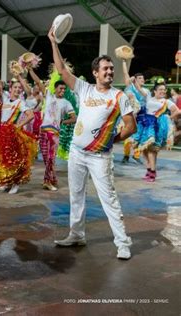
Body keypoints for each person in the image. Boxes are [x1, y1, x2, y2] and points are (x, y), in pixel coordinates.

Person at [47, 28, 137, 259]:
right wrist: (53, 43)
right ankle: (77, 235)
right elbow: (61, 70)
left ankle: (122, 242)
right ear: (95, 72)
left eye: (111, 68)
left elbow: (131, 126)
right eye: (105, 69)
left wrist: (111, 140)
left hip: (100, 157)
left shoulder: (119, 97)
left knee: (109, 199)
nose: (110, 71)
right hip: (77, 153)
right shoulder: (84, 89)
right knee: (76, 195)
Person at [28, 68, 76, 191]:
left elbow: (74, 118)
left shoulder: (66, 103)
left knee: (50, 157)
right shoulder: (49, 95)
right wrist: (30, 69)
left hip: (55, 133)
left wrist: (63, 121)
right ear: (55, 89)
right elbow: (38, 82)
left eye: (64, 89)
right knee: (46, 158)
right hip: (43, 131)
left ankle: (47, 181)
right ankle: (52, 177)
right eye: (60, 89)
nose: (63, 91)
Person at [0, 71, 36, 194]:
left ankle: (15, 183)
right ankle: (6, 182)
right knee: (2, 158)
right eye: (15, 87)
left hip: (12, 134)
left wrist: (19, 125)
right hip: (1, 132)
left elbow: (31, 115)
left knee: (15, 159)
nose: (17, 89)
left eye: (20, 88)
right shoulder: (5, 99)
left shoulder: (20, 103)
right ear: (10, 88)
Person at [133, 82, 180, 182]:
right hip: (146, 126)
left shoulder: (166, 101)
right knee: (144, 149)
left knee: (152, 150)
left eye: (164, 89)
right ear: (155, 91)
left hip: (157, 127)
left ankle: (152, 173)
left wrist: (168, 117)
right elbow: (139, 89)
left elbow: (178, 111)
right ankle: (149, 169)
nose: (163, 91)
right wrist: (134, 81)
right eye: (160, 89)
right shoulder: (149, 98)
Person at [121, 61, 149, 164]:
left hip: (142, 116)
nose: (143, 79)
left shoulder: (146, 90)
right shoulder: (130, 87)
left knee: (140, 136)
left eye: (143, 78)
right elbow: (125, 74)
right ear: (135, 80)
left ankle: (136, 155)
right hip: (131, 114)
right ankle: (126, 155)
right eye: (140, 78)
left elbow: (146, 98)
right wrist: (124, 61)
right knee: (128, 136)